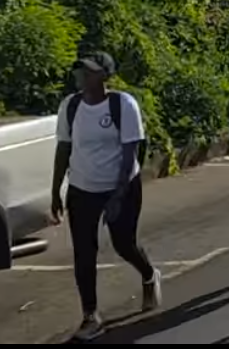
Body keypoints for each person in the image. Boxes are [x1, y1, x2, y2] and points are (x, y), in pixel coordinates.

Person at [50, 53, 161, 341]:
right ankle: (91, 315)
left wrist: (117, 196)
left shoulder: (123, 105)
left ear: (104, 76)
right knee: (83, 252)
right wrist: (55, 191)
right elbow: (64, 148)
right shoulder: (70, 106)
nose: (81, 77)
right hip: (82, 188)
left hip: (120, 185)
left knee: (124, 244)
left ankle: (149, 275)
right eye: (80, 72)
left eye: (88, 72)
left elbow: (129, 154)